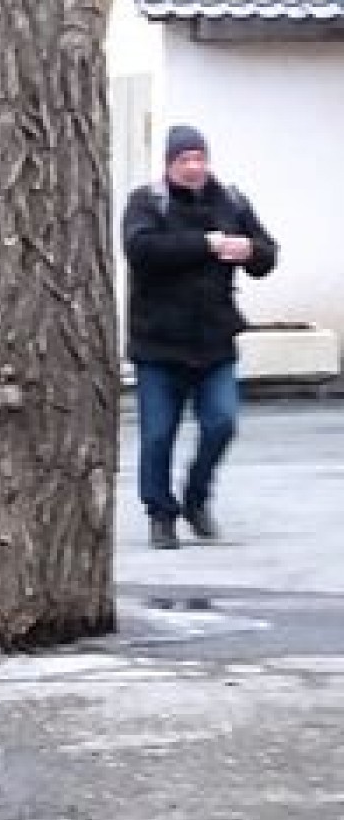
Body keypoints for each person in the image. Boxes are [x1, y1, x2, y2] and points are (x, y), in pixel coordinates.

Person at [121, 123, 278, 549]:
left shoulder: (230, 200)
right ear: (169, 164)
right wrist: (204, 245)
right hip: (157, 342)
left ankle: (196, 498)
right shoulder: (147, 203)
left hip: (214, 342)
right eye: (184, 160)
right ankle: (160, 513)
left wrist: (250, 250)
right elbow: (142, 251)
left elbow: (267, 253)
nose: (194, 168)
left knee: (222, 422)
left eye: (199, 159)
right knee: (157, 434)